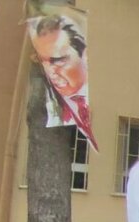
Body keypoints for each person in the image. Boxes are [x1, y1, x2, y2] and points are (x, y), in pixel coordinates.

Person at [28, 14, 94, 146]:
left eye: (58, 59)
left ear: (82, 56)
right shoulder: (49, 103)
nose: (51, 72)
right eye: (43, 61)